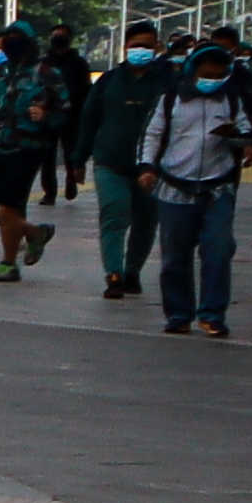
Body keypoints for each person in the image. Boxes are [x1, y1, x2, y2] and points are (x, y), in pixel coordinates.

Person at [141, 30, 252, 338]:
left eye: (219, 75)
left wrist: (243, 144)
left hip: (217, 186)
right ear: (194, 71)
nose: (213, 80)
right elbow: (153, 135)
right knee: (174, 257)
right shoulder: (170, 101)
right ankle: (179, 314)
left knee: (218, 250)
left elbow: (247, 131)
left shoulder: (231, 100)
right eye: (208, 74)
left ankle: (212, 315)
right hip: (174, 187)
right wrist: (147, 168)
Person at [0, 22, 62, 282]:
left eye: (17, 39)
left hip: (27, 147)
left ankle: (8, 263)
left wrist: (46, 115)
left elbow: (67, 112)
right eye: (8, 39)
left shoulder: (47, 73)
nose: (11, 44)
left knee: (7, 207)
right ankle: (34, 232)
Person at [81, 18, 173, 299]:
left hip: (153, 165)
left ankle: (133, 270)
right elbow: (89, 119)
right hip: (110, 160)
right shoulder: (109, 80)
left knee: (146, 221)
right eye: (135, 46)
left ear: (157, 47)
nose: (140, 51)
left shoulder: (171, 81)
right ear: (125, 48)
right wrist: (77, 158)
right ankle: (114, 274)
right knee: (114, 215)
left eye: (146, 46)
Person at [34, 19, 95, 208]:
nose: (58, 39)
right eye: (55, 36)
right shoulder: (43, 64)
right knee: (47, 156)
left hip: (72, 115)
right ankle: (49, 192)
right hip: (47, 115)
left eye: (62, 36)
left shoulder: (79, 63)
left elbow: (86, 90)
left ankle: (71, 183)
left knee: (70, 153)